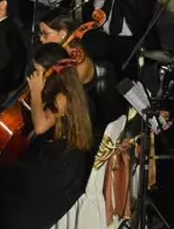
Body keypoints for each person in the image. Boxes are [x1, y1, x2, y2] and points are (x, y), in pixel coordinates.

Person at [0, 42, 95, 229]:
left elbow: (42, 126)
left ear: (53, 70)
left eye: (39, 71)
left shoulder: (62, 96)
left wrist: (35, 92)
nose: (34, 76)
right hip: (58, 162)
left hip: (57, 174)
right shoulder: (70, 88)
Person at [38, 15, 123, 143]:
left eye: (45, 34)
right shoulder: (64, 57)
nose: (41, 39)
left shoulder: (76, 59)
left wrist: (37, 93)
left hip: (91, 127)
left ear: (62, 34)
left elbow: (66, 98)